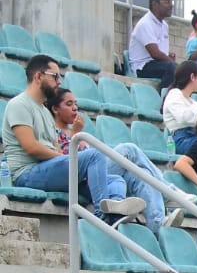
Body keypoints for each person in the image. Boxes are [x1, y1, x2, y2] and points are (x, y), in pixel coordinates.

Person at [4, 54, 149, 222]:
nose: (59, 81)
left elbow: (55, 147)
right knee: (94, 155)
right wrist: (70, 160)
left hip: (49, 169)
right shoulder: (19, 104)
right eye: (55, 76)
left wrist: (69, 161)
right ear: (38, 76)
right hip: (27, 174)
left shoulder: (44, 111)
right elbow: (31, 147)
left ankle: (115, 209)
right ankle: (102, 215)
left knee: (115, 179)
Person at [128, 0, 178, 86]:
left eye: (171, 2)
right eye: (167, 2)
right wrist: (174, 64)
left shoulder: (164, 25)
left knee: (184, 72)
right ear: (155, 4)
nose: (171, 5)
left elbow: (161, 53)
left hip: (157, 64)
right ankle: (165, 99)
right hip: (142, 67)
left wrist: (169, 57)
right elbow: (155, 53)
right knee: (173, 68)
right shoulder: (145, 23)